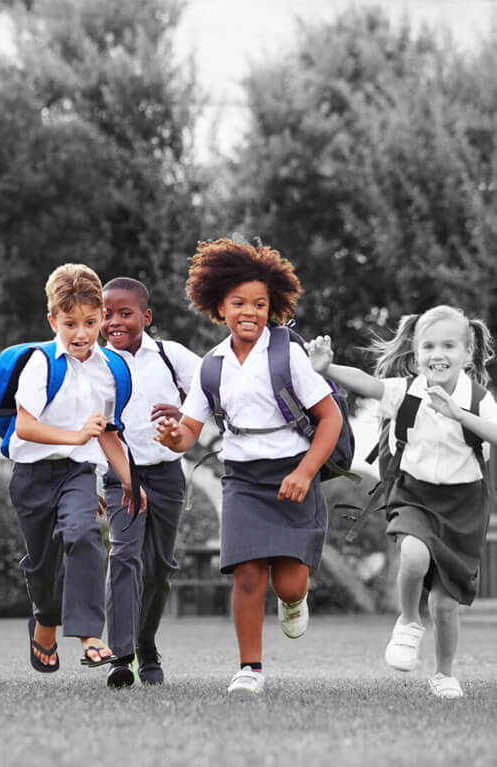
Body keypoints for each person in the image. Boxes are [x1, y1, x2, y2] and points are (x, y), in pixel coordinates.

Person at [154, 238, 342, 695]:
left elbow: (330, 417)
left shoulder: (286, 354)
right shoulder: (211, 366)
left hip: (293, 472)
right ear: (219, 305)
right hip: (241, 477)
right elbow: (190, 432)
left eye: (259, 304)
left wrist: (303, 472)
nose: (250, 311)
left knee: (291, 582)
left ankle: (294, 602)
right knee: (248, 572)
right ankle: (250, 669)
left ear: (272, 306)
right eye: (238, 302)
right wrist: (172, 435)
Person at [307, 305, 497, 699]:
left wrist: (458, 413)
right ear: (416, 352)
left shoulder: (479, 400)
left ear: (466, 352)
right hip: (414, 494)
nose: (437, 354)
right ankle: (409, 621)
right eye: (428, 346)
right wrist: (328, 369)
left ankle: (444, 673)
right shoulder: (406, 392)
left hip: (464, 506)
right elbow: (367, 383)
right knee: (413, 556)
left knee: (446, 604)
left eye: (448, 345)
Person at [6, 263, 146, 675]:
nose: (81, 333)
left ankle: (89, 634)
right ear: (53, 320)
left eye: (89, 321)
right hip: (32, 475)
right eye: (70, 323)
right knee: (42, 564)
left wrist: (129, 480)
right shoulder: (41, 363)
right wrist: (76, 435)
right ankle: (45, 622)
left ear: (102, 316)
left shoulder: (110, 370)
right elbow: (26, 426)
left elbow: (106, 434)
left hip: (78, 473)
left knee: (84, 533)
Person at [100, 277, 199, 687]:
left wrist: (183, 412)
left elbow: (212, 394)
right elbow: (91, 429)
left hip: (166, 475)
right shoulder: (94, 364)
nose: (115, 322)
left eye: (126, 313)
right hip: (119, 474)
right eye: (107, 314)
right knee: (124, 556)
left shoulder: (170, 355)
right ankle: (120, 658)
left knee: (158, 569)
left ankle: (146, 646)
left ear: (147, 316)